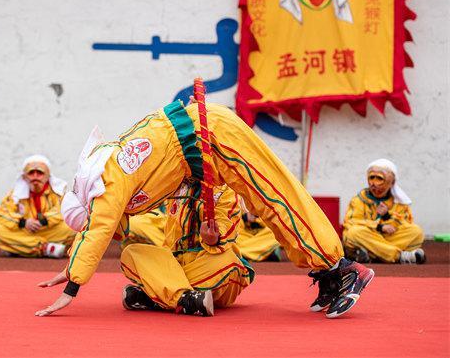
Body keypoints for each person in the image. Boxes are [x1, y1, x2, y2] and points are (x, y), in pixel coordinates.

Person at [36, 100, 373, 319]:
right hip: (203, 154)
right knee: (135, 252)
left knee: (273, 197)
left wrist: (72, 284)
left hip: (213, 134)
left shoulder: (107, 180)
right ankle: (326, 271)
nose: (101, 217)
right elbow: (104, 228)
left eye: (92, 217)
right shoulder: (110, 173)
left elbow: (98, 228)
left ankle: (340, 268)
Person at [121, 182, 253, 316]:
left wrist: (213, 239)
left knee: (229, 263)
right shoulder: (173, 181)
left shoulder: (225, 189)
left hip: (204, 266)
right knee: (131, 253)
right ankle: (186, 299)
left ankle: (158, 294)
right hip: (173, 265)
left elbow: (225, 226)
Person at [343, 159, 425, 264]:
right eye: (372, 177)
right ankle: (399, 256)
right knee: (354, 233)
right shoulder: (358, 200)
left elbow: (404, 223)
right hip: (367, 235)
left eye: (379, 178)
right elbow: (351, 222)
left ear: (392, 182)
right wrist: (379, 227)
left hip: (379, 240)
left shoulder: (399, 202)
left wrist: (387, 216)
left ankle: (374, 254)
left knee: (416, 232)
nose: (374, 183)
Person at [0, 155, 75, 258]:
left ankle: (21, 248)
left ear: (47, 176)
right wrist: (23, 222)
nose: (35, 176)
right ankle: (45, 248)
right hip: (25, 231)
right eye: (31, 173)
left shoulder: (57, 193)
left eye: (40, 173)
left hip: (47, 231)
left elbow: (62, 211)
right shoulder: (15, 194)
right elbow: (1, 213)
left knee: (73, 229)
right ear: (25, 177)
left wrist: (43, 221)